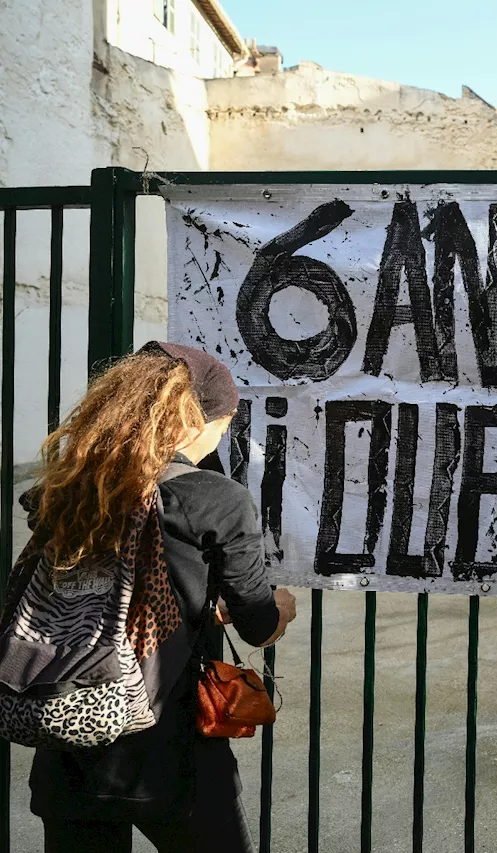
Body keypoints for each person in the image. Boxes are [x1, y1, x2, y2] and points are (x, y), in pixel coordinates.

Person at [10, 342, 298, 853]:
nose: (222, 435)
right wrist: (280, 607)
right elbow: (258, 624)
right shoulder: (215, 497)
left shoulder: (70, 486)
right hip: (172, 752)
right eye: (224, 420)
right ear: (193, 420)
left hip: (68, 732)